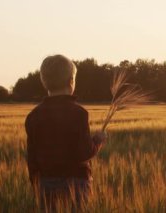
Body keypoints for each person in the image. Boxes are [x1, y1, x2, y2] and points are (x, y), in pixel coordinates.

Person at [25, 55, 106, 211]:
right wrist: (98, 140)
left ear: (44, 82)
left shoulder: (33, 116)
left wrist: (36, 185)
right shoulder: (79, 113)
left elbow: (32, 157)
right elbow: (84, 153)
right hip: (76, 184)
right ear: (71, 81)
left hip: (46, 183)